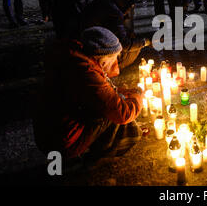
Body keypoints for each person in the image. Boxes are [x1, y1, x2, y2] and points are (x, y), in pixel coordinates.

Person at [33, 26, 143, 163]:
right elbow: (122, 113)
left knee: (114, 102)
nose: (116, 64)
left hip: (50, 135)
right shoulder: (85, 72)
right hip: (63, 142)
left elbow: (102, 91)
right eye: (114, 59)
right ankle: (97, 156)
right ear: (103, 59)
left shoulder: (75, 57)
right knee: (112, 112)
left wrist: (125, 92)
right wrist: (138, 95)